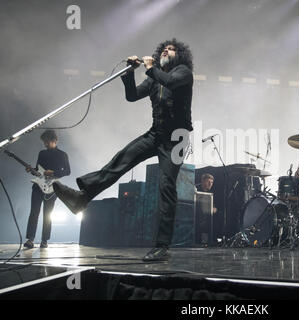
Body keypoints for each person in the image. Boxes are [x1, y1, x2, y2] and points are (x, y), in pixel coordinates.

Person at [53, 38, 194, 261]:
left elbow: (171, 83)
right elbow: (132, 96)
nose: (167, 50)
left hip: (176, 138)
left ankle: (162, 246)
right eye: (165, 48)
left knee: (166, 186)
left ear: (180, 56)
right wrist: (129, 73)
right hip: (156, 133)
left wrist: (149, 68)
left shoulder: (183, 72)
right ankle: (81, 199)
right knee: (122, 159)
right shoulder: (154, 78)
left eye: (173, 49)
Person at [24, 130, 71, 249]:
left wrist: (54, 172)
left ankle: (44, 240)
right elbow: (39, 170)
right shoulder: (42, 153)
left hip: (52, 187)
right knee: (34, 212)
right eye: (44, 142)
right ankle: (30, 240)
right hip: (37, 187)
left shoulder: (62, 154)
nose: (45, 144)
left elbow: (67, 171)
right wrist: (32, 170)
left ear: (54, 141)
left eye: (47, 142)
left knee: (47, 214)